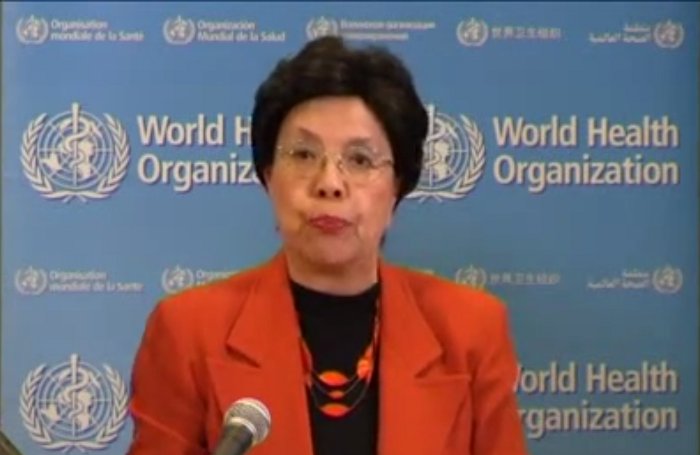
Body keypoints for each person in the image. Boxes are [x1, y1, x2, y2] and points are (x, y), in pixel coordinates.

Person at [126, 36, 528, 455]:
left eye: (360, 159)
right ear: (268, 176)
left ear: (397, 186)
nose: (330, 183)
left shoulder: (470, 331)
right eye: (303, 155)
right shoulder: (189, 333)